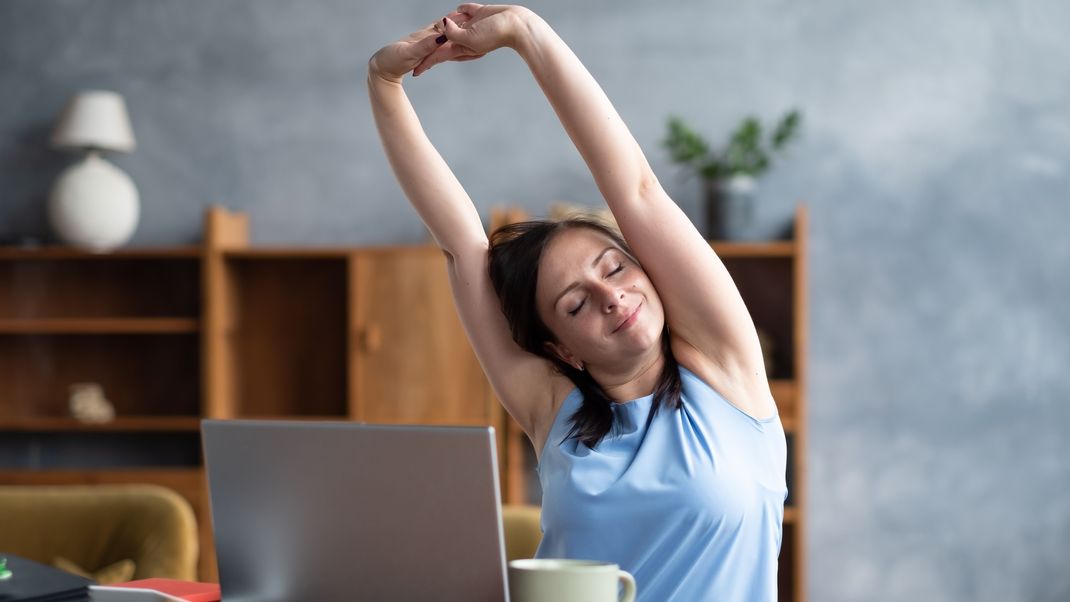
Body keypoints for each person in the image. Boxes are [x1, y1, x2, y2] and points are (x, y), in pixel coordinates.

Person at [368, 5, 788, 600]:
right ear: (560, 347)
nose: (611, 296)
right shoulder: (553, 411)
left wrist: (523, 30)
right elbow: (464, 249)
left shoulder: (726, 372)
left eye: (615, 267)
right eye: (575, 304)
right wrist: (383, 83)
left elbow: (636, 190)